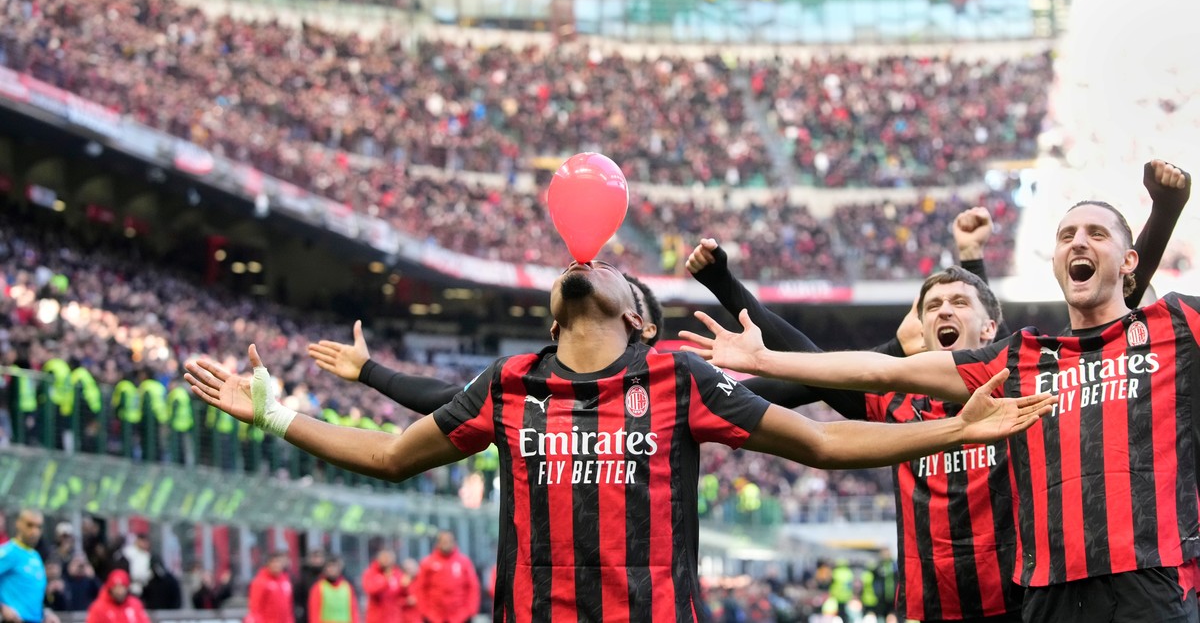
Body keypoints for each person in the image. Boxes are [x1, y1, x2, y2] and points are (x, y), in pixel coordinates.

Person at [185, 256, 1053, 620]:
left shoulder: (679, 378)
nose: (586, 258)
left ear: (636, 316)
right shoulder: (508, 384)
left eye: (607, 265)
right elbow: (387, 457)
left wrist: (954, 427)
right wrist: (274, 414)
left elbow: (822, 445)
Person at [682, 160, 1196, 623]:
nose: (944, 310)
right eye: (932, 305)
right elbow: (853, 372)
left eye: (959, 302)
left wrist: (1165, 211)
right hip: (953, 605)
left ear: (991, 327)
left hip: (1033, 597)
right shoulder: (956, 384)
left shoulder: (1018, 381)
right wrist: (758, 349)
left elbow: (1116, 318)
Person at [305, 274, 664, 416]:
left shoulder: (674, 386)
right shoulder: (525, 387)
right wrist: (369, 370)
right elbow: (444, 400)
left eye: (627, 295)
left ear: (642, 326)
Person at [0, 509, 60, 623]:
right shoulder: (8, 552)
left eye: (39, 527)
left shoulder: (35, 556)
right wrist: (2, 608)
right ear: (18, 524)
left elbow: (32, 594)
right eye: (29, 525)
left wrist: (45, 613)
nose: (34, 531)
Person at [412, 532, 479, 623]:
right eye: (443, 541)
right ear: (438, 543)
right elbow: (420, 587)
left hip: (460, 616)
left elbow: (473, 587)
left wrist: (470, 611)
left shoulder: (464, 562)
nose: (446, 543)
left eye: (449, 541)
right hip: (434, 616)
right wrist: (424, 612)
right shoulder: (427, 563)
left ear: (454, 543)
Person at [85, 570, 150, 623]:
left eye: (122, 587)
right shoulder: (98, 608)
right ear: (110, 589)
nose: (119, 592)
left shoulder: (135, 604)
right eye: (116, 588)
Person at [246, 552, 294, 623]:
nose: (277, 565)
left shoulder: (285, 581)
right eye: (274, 562)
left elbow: (288, 607)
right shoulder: (260, 582)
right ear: (268, 564)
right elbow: (255, 608)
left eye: (279, 562)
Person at [361, 550, 407, 623]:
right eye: (384, 558)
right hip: (376, 619)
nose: (386, 561)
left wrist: (405, 588)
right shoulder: (371, 573)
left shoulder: (397, 573)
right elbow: (370, 589)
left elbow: (401, 596)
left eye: (389, 558)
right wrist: (385, 580)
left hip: (394, 618)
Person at [307, 557, 358, 623]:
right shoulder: (318, 588)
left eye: (334, 567)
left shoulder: (348, 587)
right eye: (330, 567)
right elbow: (314, 614)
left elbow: (354, 611)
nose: (332, 570)